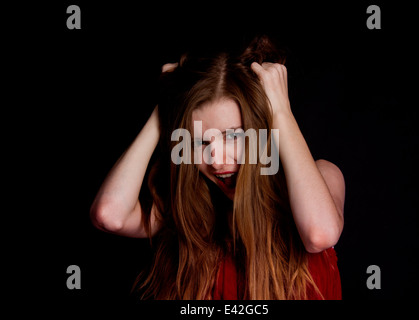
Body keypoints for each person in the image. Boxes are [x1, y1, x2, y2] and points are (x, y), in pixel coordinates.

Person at [90, 35, 345, 300]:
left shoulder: (324, 176)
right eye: (199, 141)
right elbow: (109, 215)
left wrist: (280, 111)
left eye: (233, 136)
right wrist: (167, 107)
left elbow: (319, 234)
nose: (216, 160)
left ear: (264, 130)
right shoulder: (186, 209)